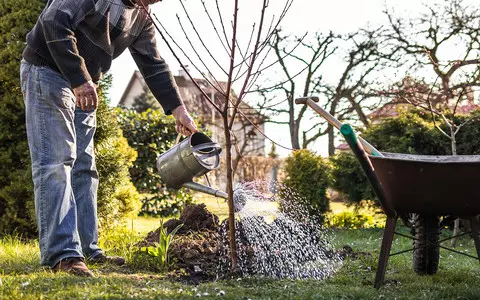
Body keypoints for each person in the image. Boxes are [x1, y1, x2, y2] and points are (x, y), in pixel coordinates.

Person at [20, 0, 198, 277]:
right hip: (48, 71)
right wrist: (80, 79)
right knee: (56, 162)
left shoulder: (141, 15)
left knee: (84, 167)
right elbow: (53, 21)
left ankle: (88, 251)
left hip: (84, 83)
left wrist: (179, 110)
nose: (154, 1)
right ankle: (63, 255)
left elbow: (153, 63)